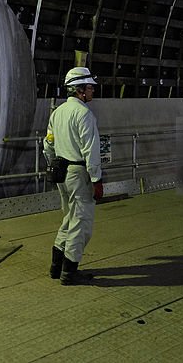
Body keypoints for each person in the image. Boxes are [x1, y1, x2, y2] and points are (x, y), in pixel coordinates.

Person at [46, 66, 103, 285]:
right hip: (79, 175)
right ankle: (69, 271)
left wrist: (53, 162)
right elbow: (91, 150)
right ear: (79, 90)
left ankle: (56, 266)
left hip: (62, 173)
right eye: (90, 88)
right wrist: (96, 179)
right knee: (81, 223)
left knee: (69, 218)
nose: (92, 92)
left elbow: (48, 144)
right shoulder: (84, 114)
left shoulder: (57, 113)